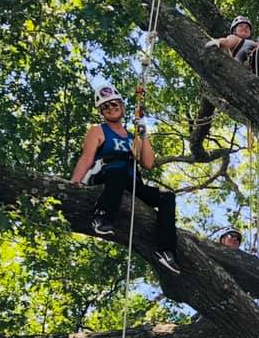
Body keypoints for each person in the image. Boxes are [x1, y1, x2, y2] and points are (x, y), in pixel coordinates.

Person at [70, 85, 180, 275]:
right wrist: (74, 183)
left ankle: (165, 250)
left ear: (121, 106)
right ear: (101, 112)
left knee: (167, 197)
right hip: (106, 174)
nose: (111, 108)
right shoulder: (98, 131)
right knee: (118, 173)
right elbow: (87, 158)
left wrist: (143, 132)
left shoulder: (133, 136)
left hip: (131, 181)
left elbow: (147, 162)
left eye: (114, 104)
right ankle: (102, 216)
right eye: (105, 107)